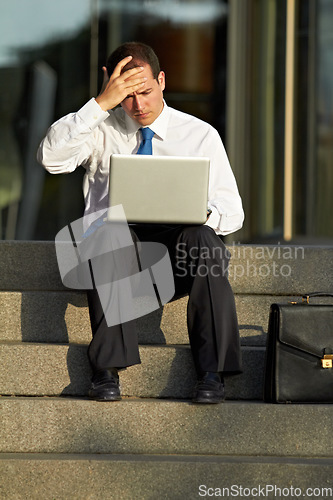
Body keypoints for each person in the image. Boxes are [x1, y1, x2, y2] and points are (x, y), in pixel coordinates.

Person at [38, 41, 244, 404]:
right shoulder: (101, 128)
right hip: (115, 261)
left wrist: (201, 213)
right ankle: (106, 370)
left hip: (178, 261)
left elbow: (233, 210)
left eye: (145, 92)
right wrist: (100, 104)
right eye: (127, 96)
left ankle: (212, 373)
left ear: (162, 80)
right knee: (107, 232)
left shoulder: (199, 135)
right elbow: (51, 159)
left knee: (204, 239)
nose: (139, 105)